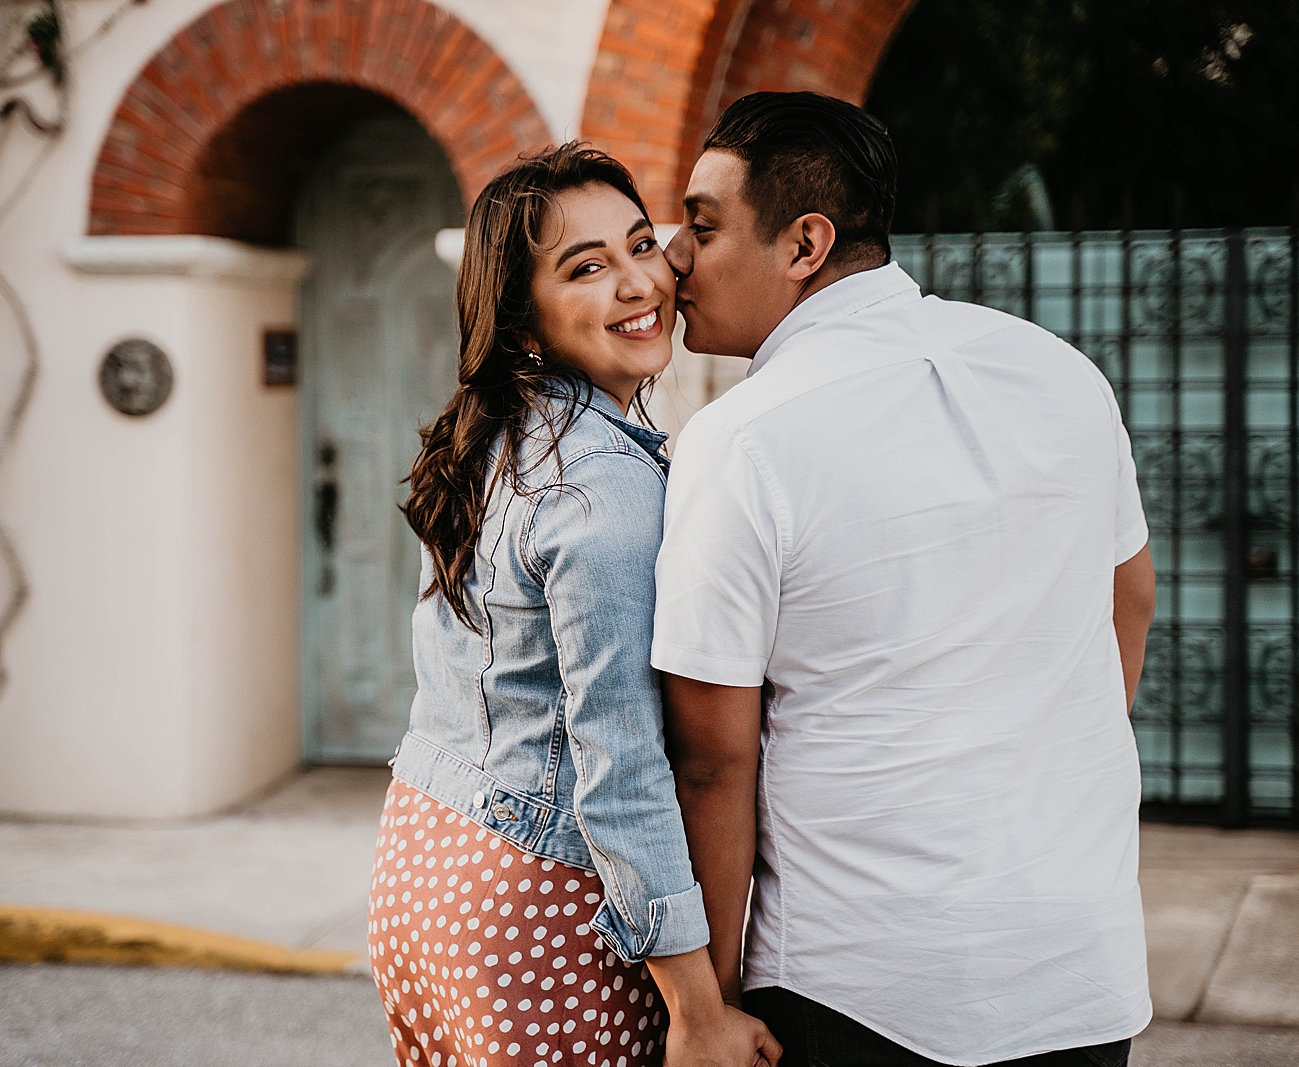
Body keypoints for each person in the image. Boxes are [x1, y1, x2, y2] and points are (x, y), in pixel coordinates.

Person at [653, 91, 1158, 1067]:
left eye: (703, 224)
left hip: (858, 985)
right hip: (1078, 963)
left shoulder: (741, 440)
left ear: (803, 244)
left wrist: (706, 1008)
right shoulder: (1059, 373)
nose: (674, 254)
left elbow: (712, 757)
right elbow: (1127, 596)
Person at [369, 143, 782, 1067]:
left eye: (642, 245)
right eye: (587, 268)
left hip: (424, 864)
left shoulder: (495, 440)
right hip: (538, 906)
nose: (641, 282)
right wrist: (698, 1008)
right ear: (524, 321)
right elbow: (622, 762)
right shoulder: (602, 486)